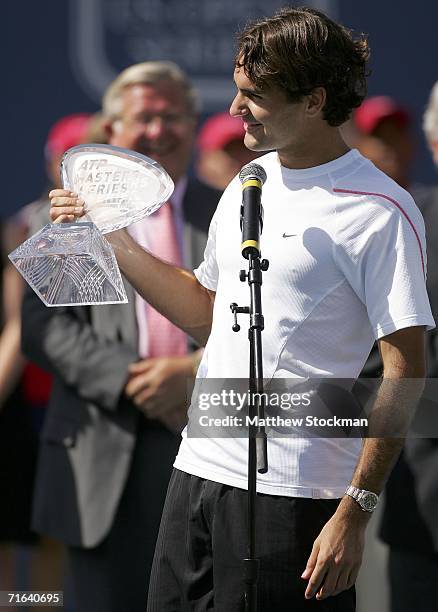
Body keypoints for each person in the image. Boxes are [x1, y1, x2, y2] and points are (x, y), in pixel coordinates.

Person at [49, 7, 434, 611]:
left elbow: (406, 369)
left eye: (253, 96)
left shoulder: (382, 210)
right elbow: (206, 314)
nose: (233, 110)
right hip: (197, 472)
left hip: (299, 501)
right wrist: (110, 238)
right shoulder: (249, 179)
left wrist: (354, 510)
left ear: (313, 100)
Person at [22, 62, 220, 612]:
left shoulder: (236, 213)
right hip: (102, 450)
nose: (159, 131)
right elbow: (44, 329)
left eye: (172, 116)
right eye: (144, 118)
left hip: (208, 441)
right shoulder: (65, 217)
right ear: (110, 132)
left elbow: (263, 322)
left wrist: (188, 374)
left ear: (193, 123)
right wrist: (133, 379)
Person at [196, 111, 260, 190]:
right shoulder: (179, 199)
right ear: (206, 158)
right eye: (228, 152)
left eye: (245, 150)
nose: (237, 162)